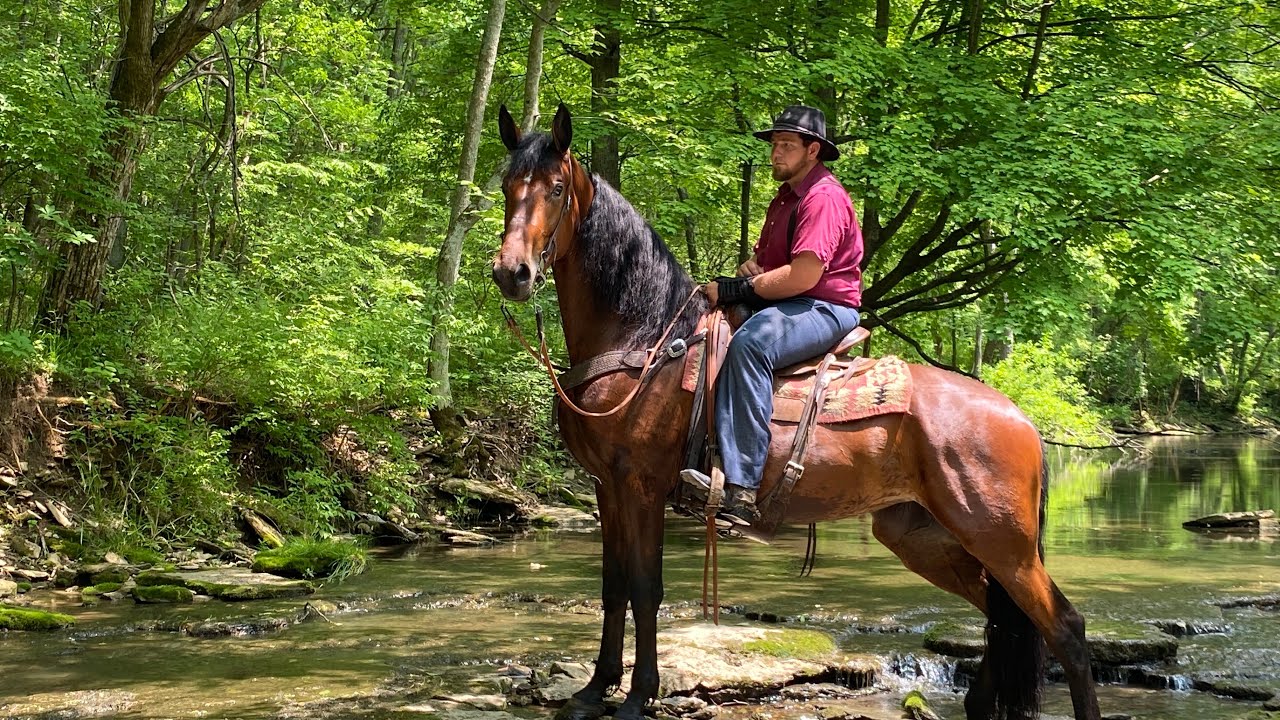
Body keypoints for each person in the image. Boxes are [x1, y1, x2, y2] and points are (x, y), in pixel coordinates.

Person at [682, 105, 864, 528]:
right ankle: (703, 457)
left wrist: (736, 287)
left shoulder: (822, 198)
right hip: (790, 300)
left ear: (813, 150)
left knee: (751, 345)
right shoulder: (785, 198)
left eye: (786, 145)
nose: (775, 153)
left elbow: (803, 275)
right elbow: (768, 264)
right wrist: (751, 270)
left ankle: (742, 489)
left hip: (825, 306)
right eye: (774, 144)